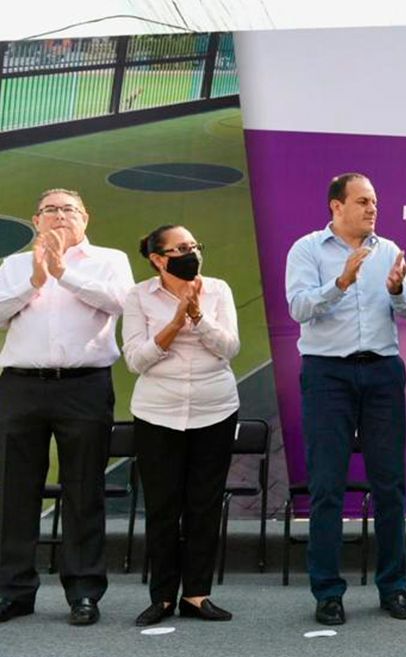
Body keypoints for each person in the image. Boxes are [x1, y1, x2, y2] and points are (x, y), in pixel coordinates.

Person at [285, 173, 406, 625]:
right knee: (327, 486)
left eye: (375, 201)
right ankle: (327, 592)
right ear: (336, 206)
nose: (372, 209)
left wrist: (397, 289)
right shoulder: (307, 250)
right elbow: (299, 308)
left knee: (390, 485)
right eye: (362, 201)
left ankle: (394, 587)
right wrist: (340, 282)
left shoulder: (388, 250)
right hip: (328, 374)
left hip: (382, 372)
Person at [0, 189, 134, 625]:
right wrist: (35, 280)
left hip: (84, 386)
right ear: (36, 219)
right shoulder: (15, 264)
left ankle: (84, 592)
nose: (60, 216)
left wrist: (64, 273)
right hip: (21, 386)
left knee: (83, 490)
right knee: (14, 491)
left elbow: (121, 303)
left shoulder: (109, 260)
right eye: (51, 210)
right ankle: (13, 590)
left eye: (69, 209)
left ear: (85, 218)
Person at [122, 225, 240, 626]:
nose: (192, 254)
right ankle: (162, 597)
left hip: (214, 409)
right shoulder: (139, 296)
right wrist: (174, 323)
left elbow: (229, 348)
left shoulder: (218, 290)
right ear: (158, 259)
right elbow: (136, 360)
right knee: (162, 507)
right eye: (181, 249)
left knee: (204, 505)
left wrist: (198, 317)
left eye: (194, 246)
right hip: (158, 412)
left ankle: (196, 594)